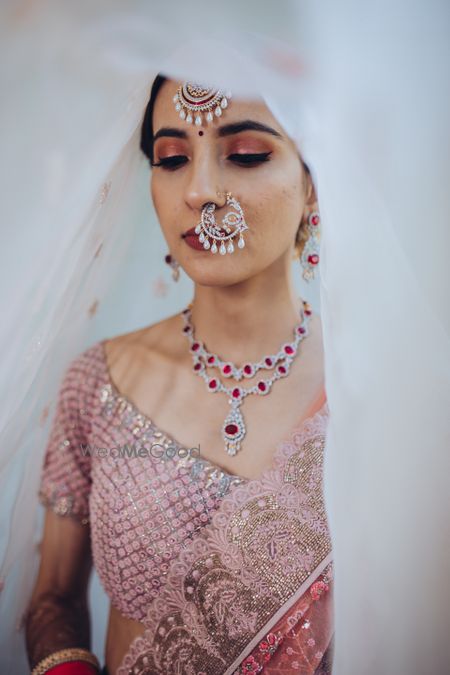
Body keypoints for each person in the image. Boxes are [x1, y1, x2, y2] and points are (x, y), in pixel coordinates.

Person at [24, 74, 333, 674]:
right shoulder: (100, 383)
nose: (199, 191)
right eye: (171, 159)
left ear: (313, 182)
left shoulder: (371, 401)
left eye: (245, 155)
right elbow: (54, 597)